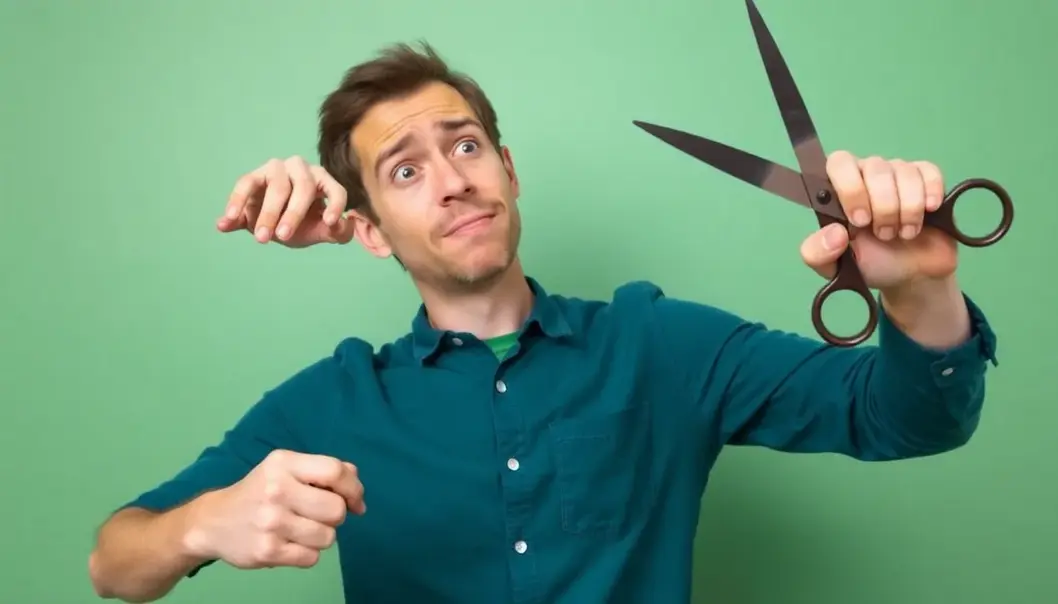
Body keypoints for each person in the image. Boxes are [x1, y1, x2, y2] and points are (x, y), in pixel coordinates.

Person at [87, 42, 998, 604]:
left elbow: (912, 419)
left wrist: (915, 288)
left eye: (466, 145)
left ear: (508, 170)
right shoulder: (330, 404)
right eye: (404, 172)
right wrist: (203, 524)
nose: (452, 180)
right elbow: (114, 565)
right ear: (365, 232)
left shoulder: (661, 346)